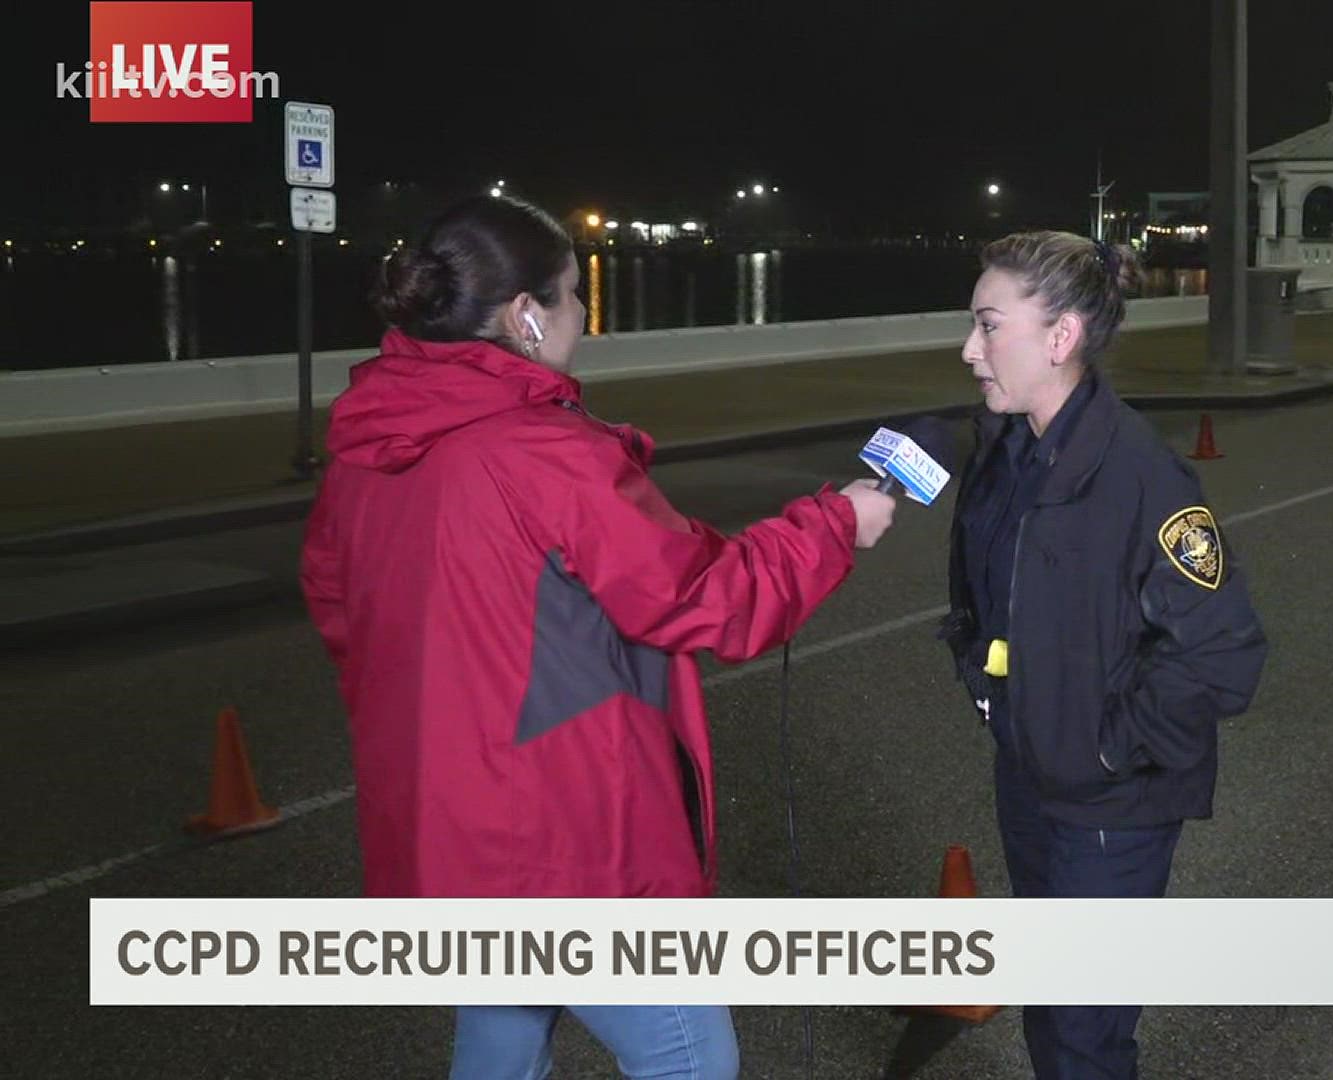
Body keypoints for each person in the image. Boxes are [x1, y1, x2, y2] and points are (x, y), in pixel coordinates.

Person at [298, 194, 896, 1080]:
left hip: (447, 827)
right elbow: (711, 599)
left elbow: (346, 616)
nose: (586, 315)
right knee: (689, 1058)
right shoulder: (542, 453)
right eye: (576, 295)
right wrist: (835, 524)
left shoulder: (365, 452)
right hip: (560, 841)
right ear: (526, 316)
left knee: (503, 1036)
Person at [938, 231, 1269, 1079]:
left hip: (1111, 806)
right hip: (1029, 774)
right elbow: (984, 597)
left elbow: (1224, 652)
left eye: (988, 325)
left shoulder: (1141, 479)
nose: (968, 348)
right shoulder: (1007, 451)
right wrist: (989, 686)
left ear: (1060, 338)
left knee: (1087, 1034)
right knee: (1053, 1009)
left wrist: (1104, 747)